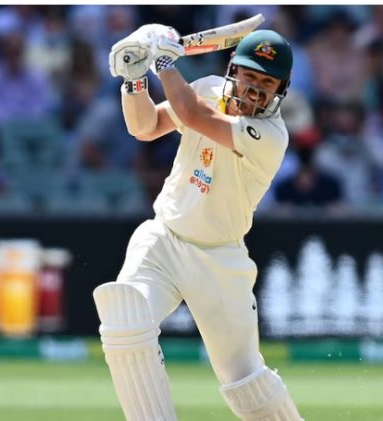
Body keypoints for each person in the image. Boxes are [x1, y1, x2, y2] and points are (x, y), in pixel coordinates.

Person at [94, 25, 303, 420]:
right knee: (125, 320)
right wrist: (135, 80)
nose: (254, 89)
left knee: (246, 383)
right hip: (163, 240)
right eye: (249, 75)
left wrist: (164, 64)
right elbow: (145, 127)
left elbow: (193, 114)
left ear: (282, 87)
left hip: (219, 260)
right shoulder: (206, 89)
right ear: (233, 69)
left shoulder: (271, 135)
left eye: (266, 82)